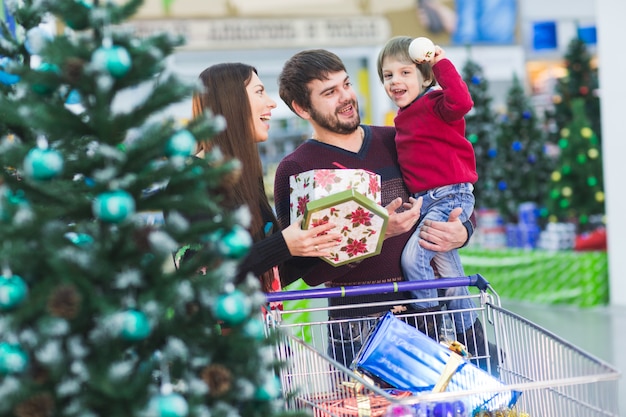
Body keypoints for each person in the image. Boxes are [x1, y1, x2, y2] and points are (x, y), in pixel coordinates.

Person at [274, 50, 493, 370]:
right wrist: (373, 233)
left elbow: (451, 191)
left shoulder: (399, 138)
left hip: (433, 314)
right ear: (301, 108)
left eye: (346, 84)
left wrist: (463, 231)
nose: (346, 97)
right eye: (330, 92)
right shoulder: (297, 169)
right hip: (357, 327)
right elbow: (304, 270)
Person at [187, 63, 341, 296]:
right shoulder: (191, 180)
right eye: (259, 92)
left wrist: (341, 237)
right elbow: (204, 273)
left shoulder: (242, 176)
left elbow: (273, 272)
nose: (272, 103)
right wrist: (284, 244)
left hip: (262, 327)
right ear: (230, 102)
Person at [376, 37, 477, 334]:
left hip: (449, 196)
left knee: (413, 259)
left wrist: (440, 63)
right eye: (388, 75)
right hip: (428, 201)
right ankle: (469, 334)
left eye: (405, 72)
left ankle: (428, 326)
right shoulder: (402, 118)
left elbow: (462, 101)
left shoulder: (435, 104)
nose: (395, 81)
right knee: (448, 272)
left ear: (424, 77)